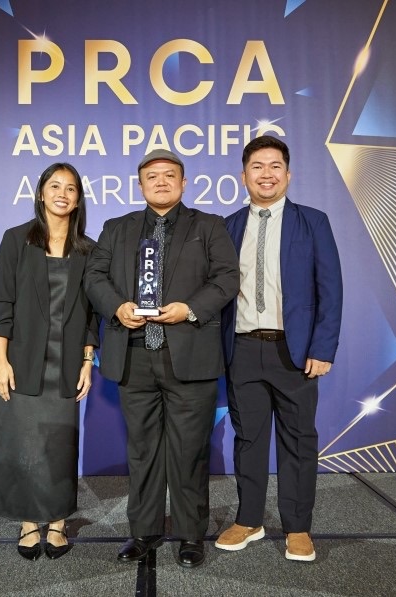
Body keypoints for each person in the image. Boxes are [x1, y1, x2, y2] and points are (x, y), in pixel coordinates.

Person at [85, 149, 239, 568]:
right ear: (140, 185)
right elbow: (94, 277)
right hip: (134, 357)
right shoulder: (117, 228)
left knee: (189, 451)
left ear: (184, 183)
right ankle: (144, 531)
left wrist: (189, 308)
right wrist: (117, 306)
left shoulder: (208, 226)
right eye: (152, 176)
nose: (161, 181)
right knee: (143, 451)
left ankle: (191, 535)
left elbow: (227, 278)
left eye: (170, 175)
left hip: (189, 354)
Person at [216, 135, 343, 562]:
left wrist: (323, 347)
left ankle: (298, 527)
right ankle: (249, 519)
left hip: (296, 351)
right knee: (248, 439)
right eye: (257, 166)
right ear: (243, 175)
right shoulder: (227, 226)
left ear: (288, 174)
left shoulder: (314, 222)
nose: (265, 174)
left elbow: (331, 290)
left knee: (298, 440)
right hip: (243, 350)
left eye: (274, 166)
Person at [0, 162, 98, 561]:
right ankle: (30, 522)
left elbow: (93, 312)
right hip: (22, 359)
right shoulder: (16, 240)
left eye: (71, 188)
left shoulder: (89, 250)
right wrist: (1, 360)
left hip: (65, 363)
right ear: (41, 193)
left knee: (59, 446)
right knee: (22, 442)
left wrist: (86, 360)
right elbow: (1, 301)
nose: (63, 193)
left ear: (78, 198)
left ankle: (58, 522)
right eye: (55, 185)